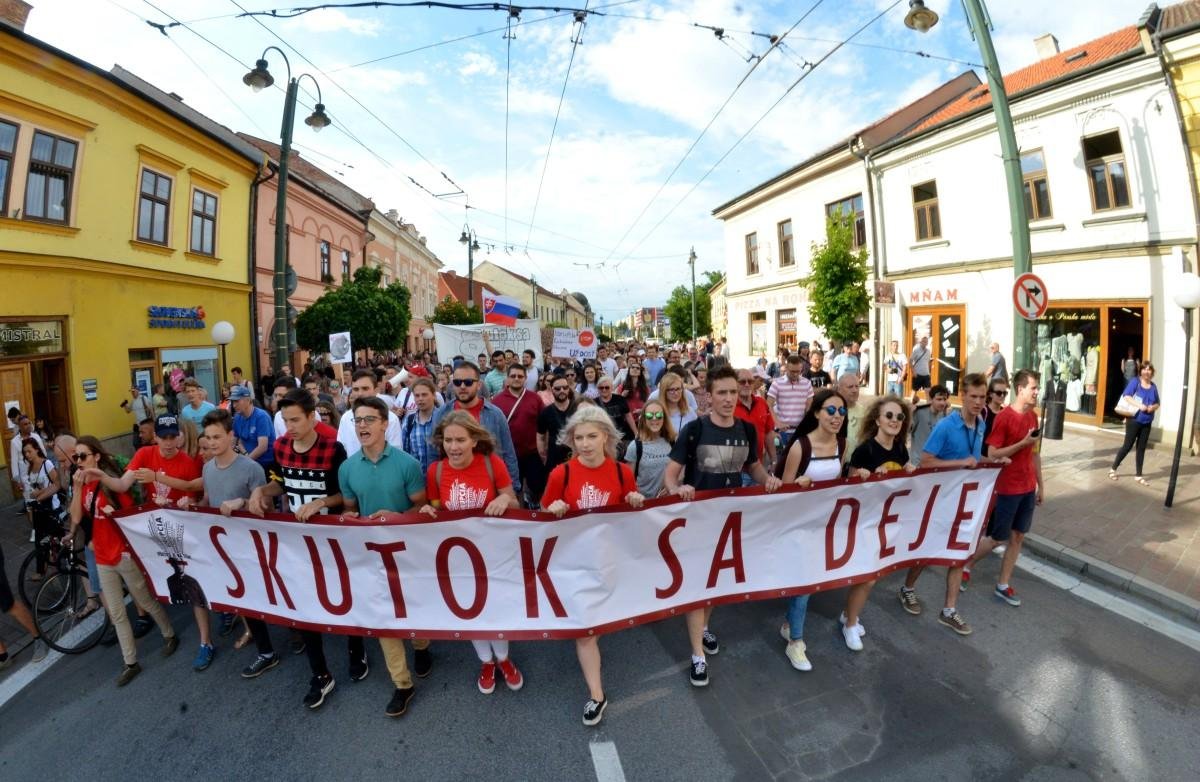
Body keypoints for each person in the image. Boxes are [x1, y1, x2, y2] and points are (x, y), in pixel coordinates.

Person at [664, 365, 782, 687]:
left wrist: (767, 480)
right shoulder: (694, 430)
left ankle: (703, 629)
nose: (730, 398)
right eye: (722, 393)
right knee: (698, 588)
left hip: (730, 521)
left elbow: (753, 467)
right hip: (698, 522)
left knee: (714, 584)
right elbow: (671, 475)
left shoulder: (747, 430)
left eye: (734, 392)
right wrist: (678, 491)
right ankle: (697, 656)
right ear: (709, 396)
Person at [249, 389, 358, 710]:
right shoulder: (282, 447)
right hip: (298, 541)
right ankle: (321, 674)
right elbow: (281, 482)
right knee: (304, 606)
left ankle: (356, 649)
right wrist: (260, 490)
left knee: (344, 598)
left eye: (296, 419)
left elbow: (345, 496)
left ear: (313, 417)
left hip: (333, 539)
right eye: (285, 420)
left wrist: (321, 502)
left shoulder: (333, 449)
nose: (290, 426)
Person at [542, 406, 645, 726]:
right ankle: (597, 695)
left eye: (592, 436)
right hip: (575, 563)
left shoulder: (621, 472)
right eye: (579, 437)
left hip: (610, 562)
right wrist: (551, 508)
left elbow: (631, 508)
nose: (585, 443)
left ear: (606, 437)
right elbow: (544, 512)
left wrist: (635, 501)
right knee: (586, 631)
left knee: (598, 626)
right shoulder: (562, 473)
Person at [93, 415, 209, 666]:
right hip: (156, 528)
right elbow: (123, 485)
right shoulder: (145, 454)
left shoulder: (188, 462)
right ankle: (165, 623)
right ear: (155, 437)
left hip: (183, 529)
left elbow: (200, 499)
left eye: (172, 436)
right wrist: (98, 474)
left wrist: (189, 503)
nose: (168, 443)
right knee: (164, 575)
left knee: (195, 581)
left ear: (179, 436)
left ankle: (205, 637)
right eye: (163, 437)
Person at [420, 411, 523, 695]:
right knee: (471, 610)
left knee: (495, 607)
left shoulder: (493, 464)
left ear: (474, 440)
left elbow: (513, 501)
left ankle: (503, 659)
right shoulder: (436, 471)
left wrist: (504, 497)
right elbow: (437, 509)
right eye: (448, 440)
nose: (453, 447)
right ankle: (485, 661)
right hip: (457, 557)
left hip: (494, 553)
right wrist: (429, 511)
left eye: (460, 440)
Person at [339, 397, 429, 718]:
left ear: (384, 424)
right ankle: (402, 684)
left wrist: (396, 516)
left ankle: (421, 646)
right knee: (383, 617)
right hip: (371, 554)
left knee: (411, 608)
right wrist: (349, 519)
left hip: (408, 550)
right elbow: (350, 509)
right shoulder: (347, 468)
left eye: (368, 419)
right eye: (357, 420)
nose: (362, 426)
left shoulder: (407, 464)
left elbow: (421, 507)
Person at [67, 436, 179, 685]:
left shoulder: (109, 483)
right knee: (117, 613)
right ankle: (131, 662)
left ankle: (169, 634)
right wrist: (76, 489)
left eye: (83, 456)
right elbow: (76, 517)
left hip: (122, 552)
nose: (78, 461)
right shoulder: (83, 485)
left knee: (144, 601)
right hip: (103, 557)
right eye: (76, 457)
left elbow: (129, 515)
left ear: (96, 456)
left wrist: (113, 515)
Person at [899, 373, 996, 636]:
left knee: (958, 553)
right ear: (962, 396)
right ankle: (907, 589)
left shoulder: (981, 423)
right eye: (973, 396)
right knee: (928, 549)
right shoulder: (945, 426)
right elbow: (927, 461)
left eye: (982, 397)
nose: (978, 402)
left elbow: (973, 458)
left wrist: (992, 463)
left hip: (965, 500)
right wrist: (960, 464)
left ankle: (949, 611)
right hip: (938, 499)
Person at [184, 410, 277, 678]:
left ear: (230, 435)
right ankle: (266, 652)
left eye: (217, 437)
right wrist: (191, 506)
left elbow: (267, 509)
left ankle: (295, 635)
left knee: (271, 594)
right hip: (224, 548)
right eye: (208, 438)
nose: (212, 443)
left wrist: (243, 503)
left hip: (253, 545)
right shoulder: (207, 468)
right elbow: (210, 501)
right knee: (245, 598)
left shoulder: (251, 468)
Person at [774, 388, 848, 671]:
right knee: (804, 583)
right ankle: (796, 641)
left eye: (841, 411)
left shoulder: (843, 444)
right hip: (798, 526)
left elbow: (838, 482)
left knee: (810, 580)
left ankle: (788, 624)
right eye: (830, 410)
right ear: (816, 413)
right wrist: (798, 486)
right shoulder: (800, 446)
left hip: (824, 525)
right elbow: (785, 489)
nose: (837, 416)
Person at [963, 369, 1043, 606]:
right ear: (1021, 390)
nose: (1037, 392)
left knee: (1018, 536)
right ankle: (966, 563)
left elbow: (1035, 454)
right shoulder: (1005, 417)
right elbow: (992, 452)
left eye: (1037, 388)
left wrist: (1041, 485)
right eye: (1033, 388)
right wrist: (1022, 443)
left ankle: (1003, 584)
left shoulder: (1033, 417)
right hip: (1008, 487)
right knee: (997, 538)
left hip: (1027, 486)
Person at [842, 395, 915, 650]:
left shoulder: (900, 449)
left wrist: (908, 471)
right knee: (868, 577)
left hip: (887, 522)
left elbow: (902, 481)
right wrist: (863, 476)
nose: (895, 421)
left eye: (900, 417)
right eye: (889, 416)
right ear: (877, 420)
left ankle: (849, 615)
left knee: (871, 575)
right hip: (864, 522)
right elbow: (847, 490)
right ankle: (850, 624)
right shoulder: (864, 450)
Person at [431, 362, 521, 494]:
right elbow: (434, 453)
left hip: (491, 486)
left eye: (468, 382)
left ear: (479, 385)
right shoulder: (441, 414)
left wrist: (513, 490)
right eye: (457, 382)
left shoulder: (495, 414)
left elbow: (508, 452)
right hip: (454, 488)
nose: (462, 386)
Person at [490, 363, 545, 507]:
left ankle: (538, 513)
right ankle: (520, 516)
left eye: (520, 376)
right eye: (513, 376)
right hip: (509, 455)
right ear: (507, 378)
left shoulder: (535, 398)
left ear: (525, 378)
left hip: (532, 453)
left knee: (537, 486)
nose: (516, 379)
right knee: (514, 489)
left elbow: (543, 425)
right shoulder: (497, 401)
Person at [1110, 362, 1160, 485]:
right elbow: (1126, 396)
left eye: (1149, 370)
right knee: (1127, 446)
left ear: (1152, 372)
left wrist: (1152, 407)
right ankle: (1113, 469)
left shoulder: (1153, 386)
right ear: (1141, 371)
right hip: (1134, 421)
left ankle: (1138, 475)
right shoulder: (1135, 382)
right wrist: (1140, 406)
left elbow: (1158, 403)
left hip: (1147, 422)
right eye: (1144, 369)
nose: (1147, 372)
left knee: (1141, 449)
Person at [337, 370, 403, 457]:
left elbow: (396, 452)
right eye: (356, 389)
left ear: (376, 390)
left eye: (365, 388)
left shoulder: (390, 418)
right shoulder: (345, 418)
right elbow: (342, 449)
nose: (360, 393)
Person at [21, 438, 61, 583]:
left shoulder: (47, 464)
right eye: (25, 452)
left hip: (51, 507)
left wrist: (40, 494)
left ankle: (58, 565)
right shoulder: (30, 467)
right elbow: (32, 489)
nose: (27, 455)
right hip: (38, 508)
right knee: (39, 540)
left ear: (37, 449)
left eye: (29, 451)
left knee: (54, 538)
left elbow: (57, 484)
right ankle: (41, 570)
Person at [733, 368, 777, 483]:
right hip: (736, 472)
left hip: (758, 469)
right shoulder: (729, 406)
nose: (747, 385)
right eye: (742, 381)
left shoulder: (762, 403)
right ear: (734, 383)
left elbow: (768, 433)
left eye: (750, 381)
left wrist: (773, 461)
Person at [624, 400, 675, 498]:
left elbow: (679, 472)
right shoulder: (635, 446)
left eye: (659, 415)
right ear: (644, 419)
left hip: (667, 503)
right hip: (644, 507)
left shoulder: (672, 441)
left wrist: (672, 486)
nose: (655, 419)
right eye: (650, 416)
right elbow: (628, 483)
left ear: (664, 418)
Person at [766, 354, 814, 447]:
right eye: (792, 371)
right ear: (786, 368)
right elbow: (768, 404)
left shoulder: (807, 383)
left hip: (801, 431)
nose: (795, 374)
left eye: (798, 371)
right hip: (783, 432)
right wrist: (777, 422)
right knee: (782, 460)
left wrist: (808, 424)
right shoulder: (777, 383)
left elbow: (809, 407)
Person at [400, 377, 441, 475]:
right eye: (417, 396)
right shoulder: (409, 421)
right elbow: (405, 453)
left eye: (424, 395)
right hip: (417, 480)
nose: (420, 399)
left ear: (434, 395)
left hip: (439, 478)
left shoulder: (443, 419)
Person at [538, 375, 576, 477]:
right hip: (554, 459)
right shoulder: (546, 412)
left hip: (576, 456)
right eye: (558, 388)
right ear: (551, 389)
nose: (562, 391)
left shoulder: (578, 408)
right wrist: (543, 456)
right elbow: (540, 437)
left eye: (565, 387)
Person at [230, 385, 274, 468]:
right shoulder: (237, 417)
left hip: (265, 463)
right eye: (233, 402)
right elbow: (234, 441)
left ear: (248, 400)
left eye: (237, 401)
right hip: (248, 460)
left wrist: (246, 462)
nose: (234, 405)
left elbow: (262, 447)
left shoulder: (261, 416)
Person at [9, 414, 44, 510]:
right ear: (19, 427)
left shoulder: (36, 436)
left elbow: (43, 453)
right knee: (30, 504)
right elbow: (14, 462)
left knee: (44, 500)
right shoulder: (15, 442)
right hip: (26, 478)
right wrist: (18, 480)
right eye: (25, 424)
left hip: (40, 473)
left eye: (29, 423)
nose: (28, 425)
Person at [908, 384, 949, 465]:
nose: (942, 403)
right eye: (939, 399)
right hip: (918, 463)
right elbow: (907, 430)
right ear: (931, 399)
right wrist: (909, 413)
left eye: (944, 399)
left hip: (935, 462)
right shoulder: (919, 412)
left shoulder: (943, 414)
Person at [596, 376, 635, 447]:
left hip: (622, 438)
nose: (604, 390)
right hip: (603, 439)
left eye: (607, 387)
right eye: (601, 388)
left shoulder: (620, 399)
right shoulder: (594, 403)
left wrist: (636, 432)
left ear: (611, 388)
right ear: (598, 389)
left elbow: (628, 416)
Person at [983, 376, 1009, 441]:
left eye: (1005, 393)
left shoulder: (1006, 413)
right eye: (999, 393)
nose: (1002, 395)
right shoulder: (983, 411)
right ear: (990, 394)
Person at [909, 336, 932, 402]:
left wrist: (929, 372)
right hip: (917, 374)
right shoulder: (916, 350)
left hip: (926, 375)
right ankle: (910, 405)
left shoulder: (928, 351)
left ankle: (928, 406)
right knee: (914, 391)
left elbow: (927, 362)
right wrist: (913, 372)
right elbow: (910, 361)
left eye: (926, 342)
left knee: (928, 391)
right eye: (923, 341)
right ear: (921, 342)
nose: (925, 343)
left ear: (927, 343)